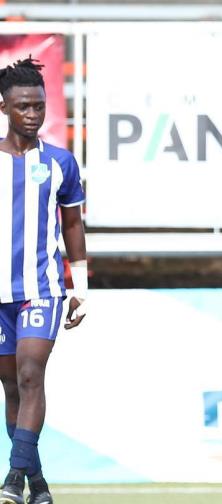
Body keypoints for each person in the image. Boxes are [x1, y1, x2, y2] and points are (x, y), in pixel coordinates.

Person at [0, 57, 88, 504]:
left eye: (39, 106)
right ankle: (38, 486)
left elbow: (72, 225)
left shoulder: (60, 162)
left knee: (31, 374)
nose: (33, 115)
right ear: (4, 108)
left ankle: (13, 478)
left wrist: (81, 286)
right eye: (23, 107)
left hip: (42, 288)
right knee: (11, 386)